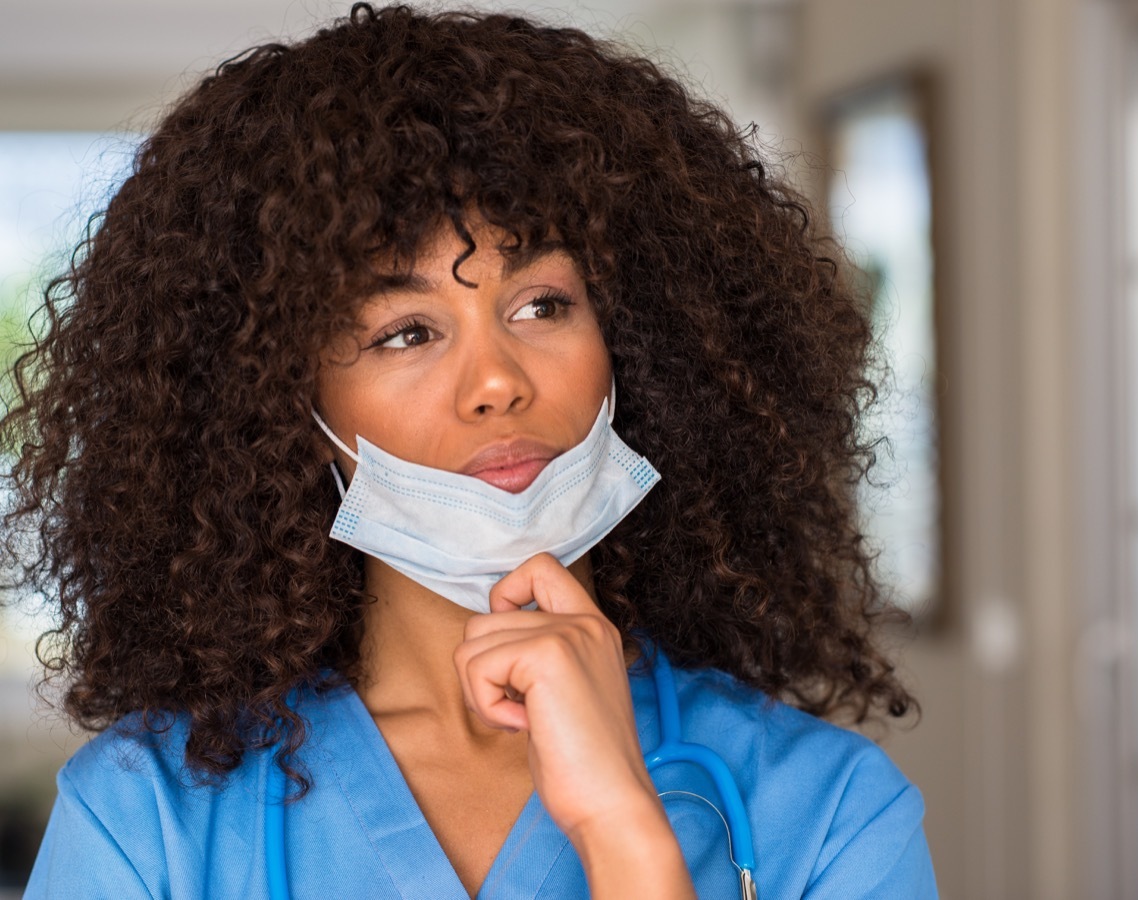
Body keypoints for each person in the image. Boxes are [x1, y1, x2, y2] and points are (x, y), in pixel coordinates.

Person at [5, 4, 938, 898]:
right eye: (406, 331)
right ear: (277, 402)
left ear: (639, 346)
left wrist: (624, 829)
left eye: (542, 305)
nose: (496, 381)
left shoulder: (829, 808)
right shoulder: (144, 818)